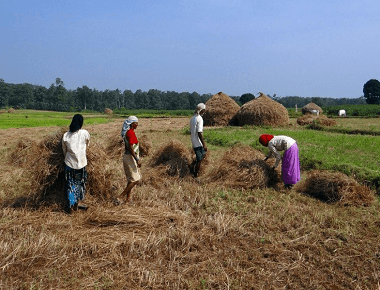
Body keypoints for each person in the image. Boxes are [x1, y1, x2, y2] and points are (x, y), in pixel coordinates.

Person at [62, 114, 90, 213]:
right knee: (80, 184)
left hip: (69, 164)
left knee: (70, 185)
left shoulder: (66, 135)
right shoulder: (84, 133)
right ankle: (77, 203)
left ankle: (71, 206)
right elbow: (88, 143)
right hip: (81, 163)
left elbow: (64, 151)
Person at [118, 116, 141, 204]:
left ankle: (127, 200)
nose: (137, 125)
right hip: (130, 157)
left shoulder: (130, 132)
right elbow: (130, 147)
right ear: (132, 124)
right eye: (136, 123)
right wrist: (137, 159)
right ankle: (120, 197)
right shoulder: (130, 133)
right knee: (135, 180)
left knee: (131, 180)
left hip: (130, 157)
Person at [190, 103, 208, 178]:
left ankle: (192, 169)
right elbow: (199, 132)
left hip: (193, 141)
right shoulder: (199, 119)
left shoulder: (192, 118)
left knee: (199, 157)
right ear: (202, 110)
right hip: (198, 142)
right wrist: (204, 144)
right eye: (204, 110)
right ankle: (195, 175)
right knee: (199, 159)